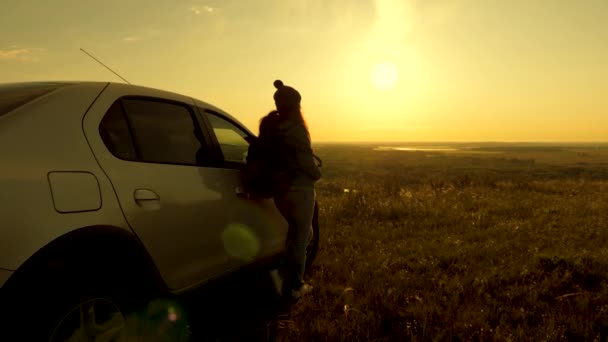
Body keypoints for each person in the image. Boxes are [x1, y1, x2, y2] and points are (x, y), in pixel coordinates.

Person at [263, 79, 321, 300]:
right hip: (300, 189)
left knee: (296, 235)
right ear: (296, 104)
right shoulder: (296, 128)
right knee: (302, 237)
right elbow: (306, 162)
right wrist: (317, 174)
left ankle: (281, 276)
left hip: (280, 191)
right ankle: (294, 286)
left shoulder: (274, 127)